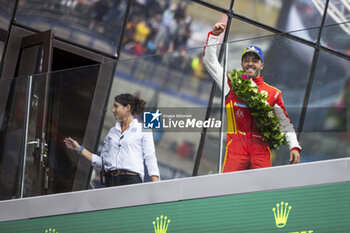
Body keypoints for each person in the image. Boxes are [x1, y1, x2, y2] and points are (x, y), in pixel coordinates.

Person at [203, 22, 301, 172]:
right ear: (242, 64)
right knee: (229, 190)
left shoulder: (273, 93)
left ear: (261, 65)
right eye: (246, 60)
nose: (250, 64)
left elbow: (285, 123)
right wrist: (214, 37)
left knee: (262, 193)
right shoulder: (231, 83)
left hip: (261, 151)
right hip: (235, 148)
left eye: (255, 60)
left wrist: (293, 145)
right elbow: (210, 62)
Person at [64, 93, 160, 186]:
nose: (112, 110)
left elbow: (150, 156)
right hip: (111, 181)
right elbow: (103, 161)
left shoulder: (143, 129)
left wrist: (155, 183)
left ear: (127, 108)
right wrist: (79, 149)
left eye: (116, 106)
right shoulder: (112, 132)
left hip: (131, 181)